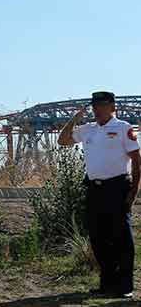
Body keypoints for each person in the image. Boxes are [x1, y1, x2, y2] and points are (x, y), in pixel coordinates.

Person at [58, 91, 140, 299]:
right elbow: (63, 140)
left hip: (117, 187)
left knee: (122, 239)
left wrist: (133, 193)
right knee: (98, 238)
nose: (97, 109)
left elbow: (137, 161)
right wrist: (74, 119)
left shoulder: (123, 128)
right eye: (94, 105)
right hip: (95, 189)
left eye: (102, 105)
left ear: (112, 107)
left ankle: (124, 287)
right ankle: (107, 284)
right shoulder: (88, 130)